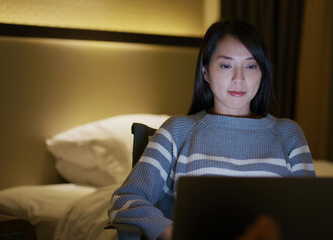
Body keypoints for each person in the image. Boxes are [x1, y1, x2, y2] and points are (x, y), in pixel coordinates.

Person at [108, 19, 315, 240]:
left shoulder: (288, 134)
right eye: (226, 65)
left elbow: (311, 214)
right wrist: (174, 233)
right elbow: (125, 200)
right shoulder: (178, 131)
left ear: (262, 72)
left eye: (251, 65)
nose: (239, 78)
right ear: (205, 72)